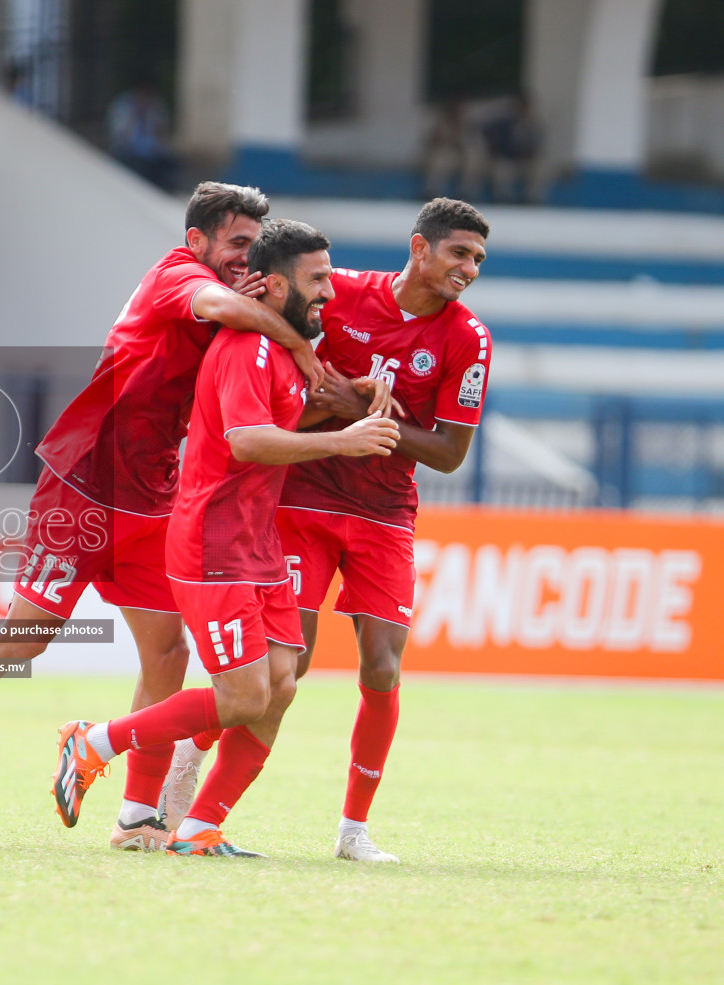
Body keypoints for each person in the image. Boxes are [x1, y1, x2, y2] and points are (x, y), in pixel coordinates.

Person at [0, 183, 340, 854]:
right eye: (236, 244)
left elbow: (291, 293)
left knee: (167, 651)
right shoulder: (179, 277)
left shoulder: (242, 315)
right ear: (198, 243)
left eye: (252, 249)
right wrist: (298, 343)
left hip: (155, 497)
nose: (243, 260)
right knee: (26, 639)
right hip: (85, 487)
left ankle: (137, 816)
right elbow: (218, 303)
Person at [49, 220, 399, 856]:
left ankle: (200, 826)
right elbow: (246, 440)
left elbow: (288, 415)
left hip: (254, 543)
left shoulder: (282, 353)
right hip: (212, 543)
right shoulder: (246, 347)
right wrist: (341, 441)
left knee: (282, 684)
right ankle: (95, 743)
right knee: (243, 697)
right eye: (317, 279)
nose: (329, 292)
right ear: (271, 286)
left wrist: (355, 399)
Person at [162, 198, 492, 864]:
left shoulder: (468, 339)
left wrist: (359, 412)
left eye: (479, 259)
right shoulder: (341, 295)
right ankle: (188, 767)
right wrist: (339, 410)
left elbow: (452, 453)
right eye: (459, 253)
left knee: (382, 665)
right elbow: (282, 355)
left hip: (385, 512)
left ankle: (354, 829)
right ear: (419, 248)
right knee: (290, 666)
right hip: (305, 499)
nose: (469, 269)